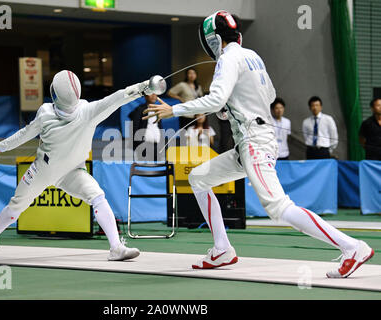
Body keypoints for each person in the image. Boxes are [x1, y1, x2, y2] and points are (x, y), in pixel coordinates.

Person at [143, 10, 373, 278]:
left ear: (213, 40)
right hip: (250, 143)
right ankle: (222, 249)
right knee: (198, 178)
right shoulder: (252, 56)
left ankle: (352, 247)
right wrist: (234, 108)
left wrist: (174, 110)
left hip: (254, 142)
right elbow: (270, 95)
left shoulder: (228, 59)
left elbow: (216, 101)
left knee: (279, 207)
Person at [0, 70, 158, 261]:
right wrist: (143, 87)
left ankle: (116, 247)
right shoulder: (72, 112)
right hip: (42, 171)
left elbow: (118, 97)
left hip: (72, 172)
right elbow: (118, 97)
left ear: (54, 93)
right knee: (17, 205)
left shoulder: (78, 111)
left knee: (97, 196)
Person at [128, 93, 162, 161]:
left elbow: (159, 126)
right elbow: (135, 126)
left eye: (155, 94)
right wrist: (138, 142)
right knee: (143, 165)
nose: (153, 96)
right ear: (146, 97)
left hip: (156, 143)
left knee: (157, 165)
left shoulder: (158, 110)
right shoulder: (140, 109)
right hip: (143, 144)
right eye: (151, 94)